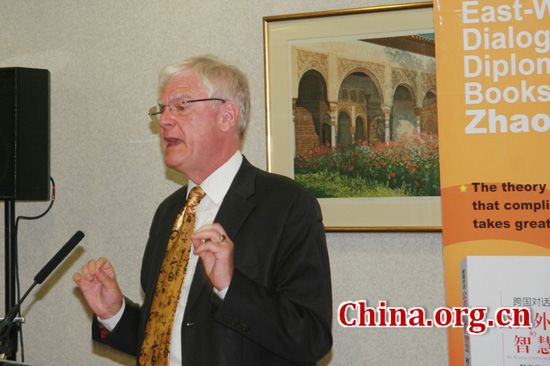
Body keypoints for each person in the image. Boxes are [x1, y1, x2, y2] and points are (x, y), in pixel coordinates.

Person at [73, 55, 332, 366]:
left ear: (226, 116)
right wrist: (114, 314)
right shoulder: (169, 212)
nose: (164, 120)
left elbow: (310, 339)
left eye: (181, 106)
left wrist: (231, 286)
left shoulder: (287, 205)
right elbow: (170, 340)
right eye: (163, 109)